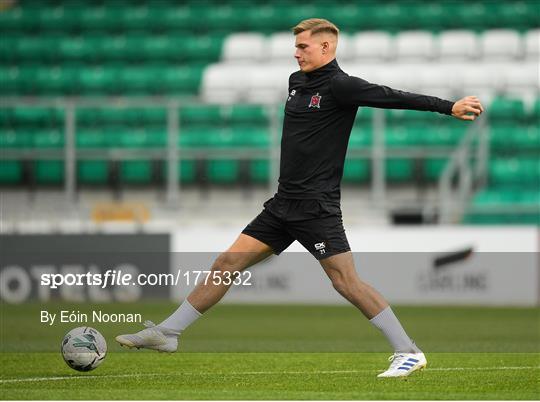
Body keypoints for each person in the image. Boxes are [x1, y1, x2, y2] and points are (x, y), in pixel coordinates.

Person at [116, 18, 484, 377]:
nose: (296, 53)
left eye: (303, 46)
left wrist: (447, 106)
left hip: (316, 207)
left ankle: (408, 351)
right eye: (296, 46)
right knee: (226, 263)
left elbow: (392, 96)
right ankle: (168, 333)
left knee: (346, 283)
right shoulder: (296, 82)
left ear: (326, 47)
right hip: (282, 205)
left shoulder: (342, 86)